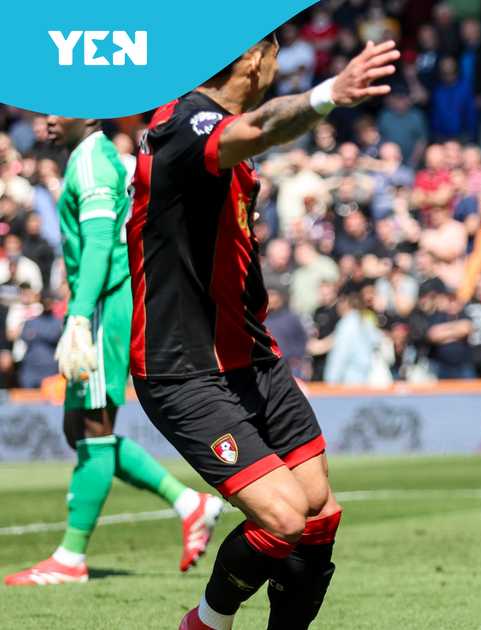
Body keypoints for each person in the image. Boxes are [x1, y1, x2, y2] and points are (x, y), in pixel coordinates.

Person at [125, 32, 399, 629]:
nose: (280, 66)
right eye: (276, 54)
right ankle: (205, 624)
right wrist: (329, 93)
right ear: (252, 57)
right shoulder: (183, 124)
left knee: (320, 515)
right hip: (185, 370)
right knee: (281, 518)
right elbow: (256, 130)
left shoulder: (217, 134)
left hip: (252, 358)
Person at [5, 117, 223, 587]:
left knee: (93, 428)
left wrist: (81, 316)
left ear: (85, 114)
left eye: (56, 109)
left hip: (103, 307)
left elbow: (102, 245)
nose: (45, 119)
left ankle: (71, 557)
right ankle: (191, 504)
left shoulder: (91, 164)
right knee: (78, 428)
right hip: (100, 303)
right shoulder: (94, 157)